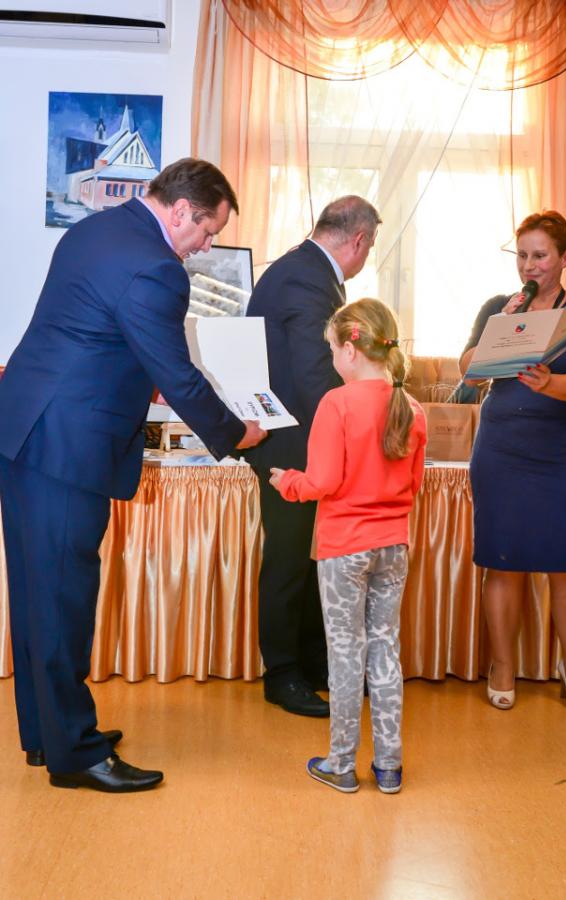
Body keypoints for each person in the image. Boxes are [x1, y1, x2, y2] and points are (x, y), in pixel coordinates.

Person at [0, 158, 266, 792]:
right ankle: (75, 754)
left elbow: (98, 336)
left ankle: (47, 735)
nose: (206, 247)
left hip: (26, 430)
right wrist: (237, 432)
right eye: (208, 231)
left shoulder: (95, 228)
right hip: (67, 446)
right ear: (182, 211)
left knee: (37, 597)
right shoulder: (156, 267)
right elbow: (177, 374)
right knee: (62, 602)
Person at [270, 299, 427, 793]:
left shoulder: (336, 404)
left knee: (345, 653)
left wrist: (286, 481)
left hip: (344, 548)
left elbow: (322, 481)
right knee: (385, 649)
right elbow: (414, 484)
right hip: (392, 545)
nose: (333, 358)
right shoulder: (411, 408)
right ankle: (389, 765)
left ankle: (341, 762)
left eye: (333, 350)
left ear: (352, 350)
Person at [245, 196, 381, 717]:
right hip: (293, 446)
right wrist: (360, 423)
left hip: (297, 440)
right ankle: (282, 674)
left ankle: (310, 663)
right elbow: (313, 376)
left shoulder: (302, 268)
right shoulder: (308, 277)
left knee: (306, 558)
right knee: (288, 562)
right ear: (359, 240)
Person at [460, 210, 566, 712]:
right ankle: (502, 667)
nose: (529, 265)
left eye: (540, 255)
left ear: (565, 257)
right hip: (502, 448)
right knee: (504, 563)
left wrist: (552, 383)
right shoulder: (499, 306)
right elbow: (468, 370)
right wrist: (502, 327)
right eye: (522, 255)